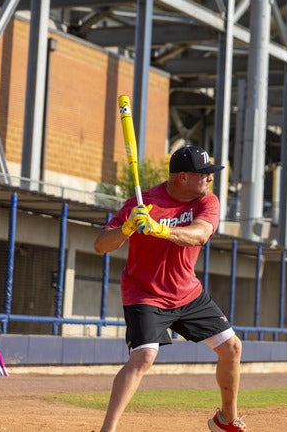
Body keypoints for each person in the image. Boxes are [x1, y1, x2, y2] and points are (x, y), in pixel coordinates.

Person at [94, 145, 246, 432]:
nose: (210, 178)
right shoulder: (143, 202)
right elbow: (100, 245)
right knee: (143, 357)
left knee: (232, 347)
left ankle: (226, 419)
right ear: (183, 177)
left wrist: (160, 229)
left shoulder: (207, 201)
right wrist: (127, 228)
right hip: (145, 293)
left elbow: (200, 234)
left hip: (187, 293)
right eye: (204, 174)